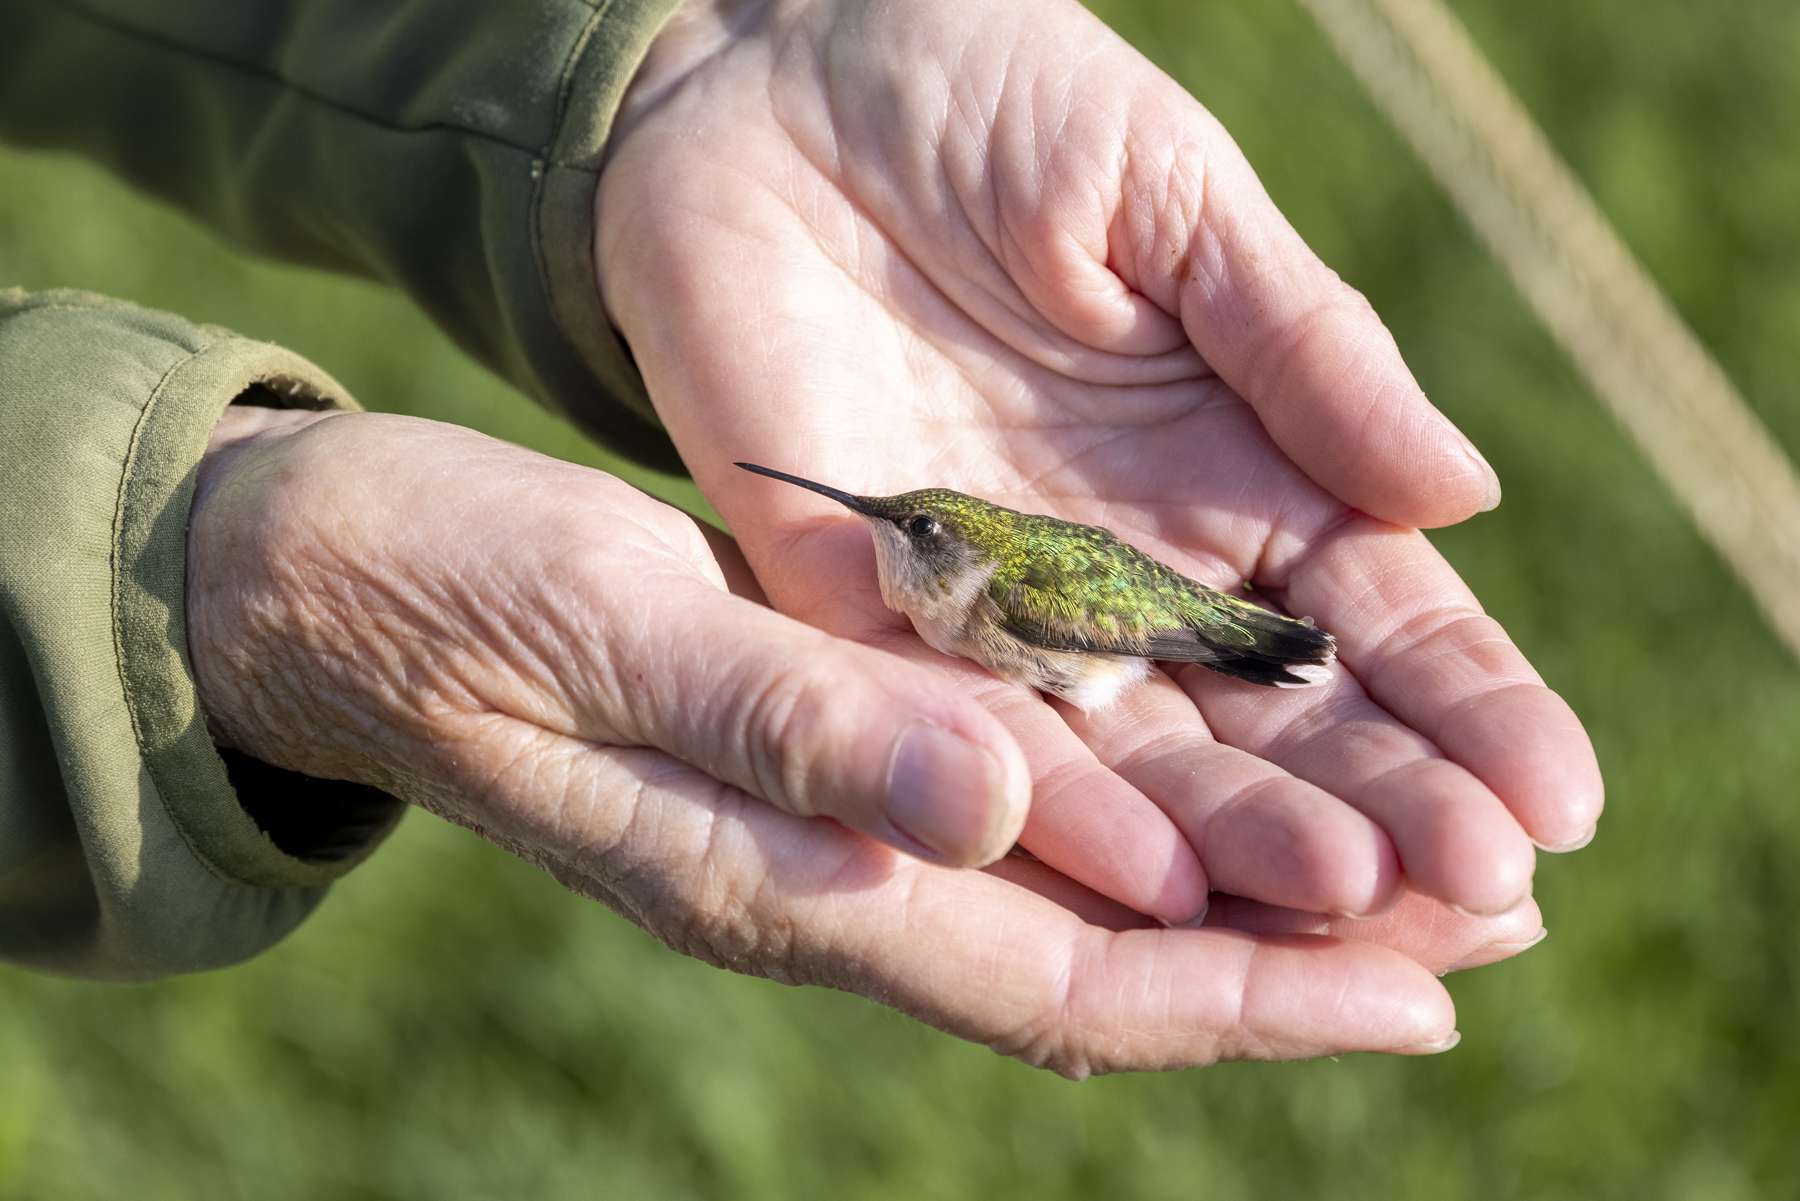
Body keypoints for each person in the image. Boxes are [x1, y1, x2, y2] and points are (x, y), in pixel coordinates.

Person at [0, 0, 1599, 1076]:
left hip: (1127, 631)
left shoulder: (999, 590)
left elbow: (1094, 628)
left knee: (1175, 646)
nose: (880, 538)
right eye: (898, 521)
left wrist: (696, 51)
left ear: (961, 563)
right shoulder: (965, 568)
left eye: (910, 530)